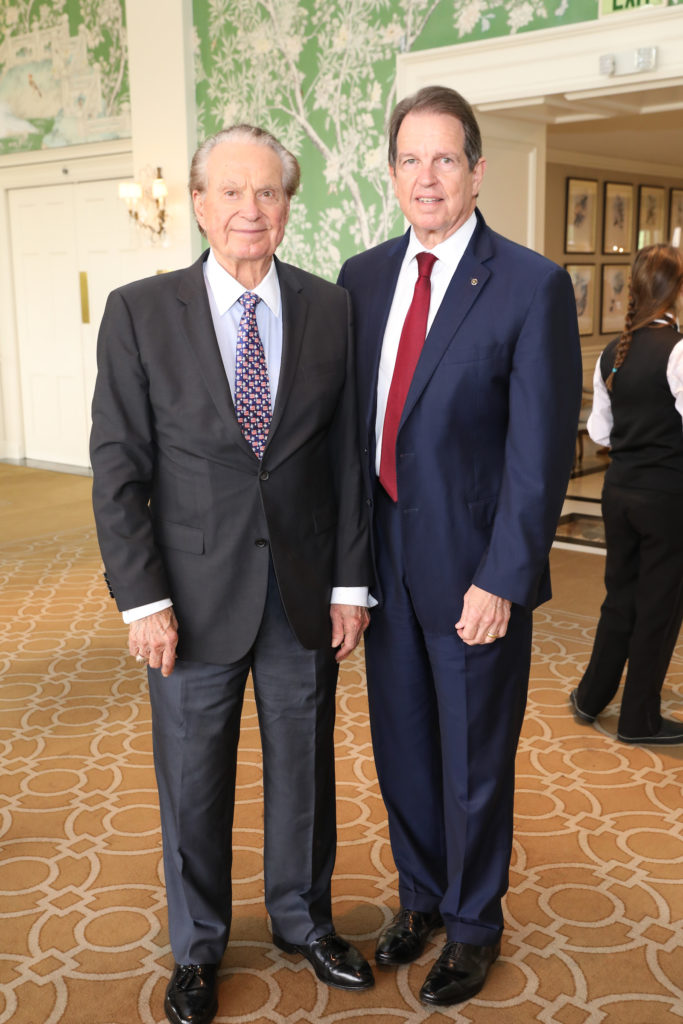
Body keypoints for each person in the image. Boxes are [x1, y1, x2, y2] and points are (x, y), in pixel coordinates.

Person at [90, 124, 374, 1024]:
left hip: (301, 593)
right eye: (231, 191)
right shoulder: (140, 311)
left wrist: (349, 585)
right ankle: (197, 948)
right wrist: (142, 600)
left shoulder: (329, 308)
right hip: (188, 600)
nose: (251, 209)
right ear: (199, 204)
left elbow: (345, 460)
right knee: (194, 783)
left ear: (288, 206)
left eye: (269, 192)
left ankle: (302, 919)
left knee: (305, 771)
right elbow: (117, 470)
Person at [338, 86, 582, 1007]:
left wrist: (502, 579)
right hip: (384, 567)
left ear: (477, 171)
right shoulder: (360, 278)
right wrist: (346, 574)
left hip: (475, 573)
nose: (427, 177)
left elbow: (538, 455)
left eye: (445, 158)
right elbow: (351, 436)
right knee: (402, 748)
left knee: (474, 761)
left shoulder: (528, 284)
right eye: (411, 159)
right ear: (391, 172)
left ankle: (474, 923)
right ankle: (422, 896)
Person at [571, 244, 683, 745]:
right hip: (667, 499)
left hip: (618, 493)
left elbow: (600, 432)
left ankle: (591, 695)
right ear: (676, 290)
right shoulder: (677, 350)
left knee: (620, 596)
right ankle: (639, 719)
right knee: (660, 606)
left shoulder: (611, 352)